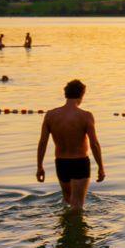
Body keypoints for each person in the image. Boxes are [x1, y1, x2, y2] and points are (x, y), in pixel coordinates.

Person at [37, 78, 105, 211]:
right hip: (79, 162)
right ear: (82, 94)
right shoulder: (85, 116)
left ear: (65, 94)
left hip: (61, 163)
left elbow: (42, 143)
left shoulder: (51, 115)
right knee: (77, 206)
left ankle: (65, 229)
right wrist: (101, 167)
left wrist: (40, 166)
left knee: (67, 201)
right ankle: (75, 230)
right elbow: (94, 144)